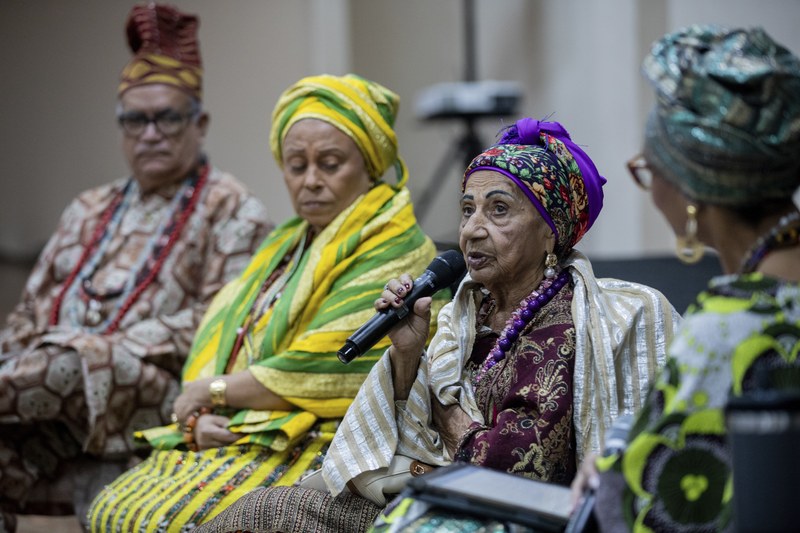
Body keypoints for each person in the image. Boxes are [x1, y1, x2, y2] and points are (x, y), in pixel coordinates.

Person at [196, 117, 680, 533]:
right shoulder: (463, 315)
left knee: (272, 514)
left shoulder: (567, 324)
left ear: (550, 230)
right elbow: (406, 438)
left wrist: (444, 410)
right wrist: (408, 356)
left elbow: (515, 469)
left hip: (499, 517)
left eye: (499, 210)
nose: (472, 229)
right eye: (468, 209)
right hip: (433, 496)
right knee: (260, 509)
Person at [87, 72, 444, 531]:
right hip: (247, 425)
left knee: (165, 519)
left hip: (324, 440)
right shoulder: (286, 241)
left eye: (330, 163)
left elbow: (331, 368)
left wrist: (212, 392)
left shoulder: (395, 245)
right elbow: (227, 341)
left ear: (370, 165)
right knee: (112, 507)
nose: (311, 181)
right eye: (297, 166)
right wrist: (199, 415)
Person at [0, 4, 270, 530]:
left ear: (200, 123)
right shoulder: (88, 206)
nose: (150, 133)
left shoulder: (233, 207)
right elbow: (29, 312)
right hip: (56, 379)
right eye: (135, 119)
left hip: (158, 389)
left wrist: (93, 347)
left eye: (167, 117)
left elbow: (219, 324)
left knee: (67, 363)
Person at [569, 25, 800, 532]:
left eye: (650, 172)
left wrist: (610, 470)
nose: (651, 190)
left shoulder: (729, 328)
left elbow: (644, 506)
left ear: (694, 194)